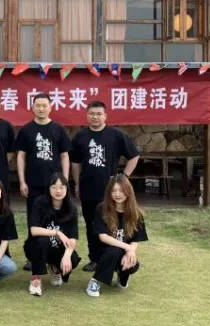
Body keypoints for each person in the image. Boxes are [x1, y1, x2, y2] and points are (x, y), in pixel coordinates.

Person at [70, 101, 140, 273]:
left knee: (111, 225)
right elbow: (75, 162)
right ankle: (94, 259)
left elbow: (134, 155)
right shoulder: (81, 136)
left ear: (105, 116)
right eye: (92, 114)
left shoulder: (115, 135)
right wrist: (77, 183)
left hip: (111, 191)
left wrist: (124, 177)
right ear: (87, 115)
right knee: (91, 225)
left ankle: (112, 258)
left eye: (99, 114)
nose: (95, 117)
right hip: (88, 189)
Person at [16, 93, 71, 270]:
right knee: (34, 220)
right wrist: (22, 181)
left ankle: (56, 255)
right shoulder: (26, 130)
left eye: (44, 105)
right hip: (33, 183)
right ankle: (33, 256)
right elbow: (21, 156)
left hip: (55, 186)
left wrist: (65, 180)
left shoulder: (58, 129)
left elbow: (64, 156)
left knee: (56, 218)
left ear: (50, 107)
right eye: (38, 105)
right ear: (32, 107)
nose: (41, 108)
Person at [87, 174, 148, 298]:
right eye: (114, 190)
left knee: (133, 263)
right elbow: (103, 237)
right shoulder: (101, 208)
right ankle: (94, 281)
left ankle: (122, 277)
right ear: (109, 192)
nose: (118, 194)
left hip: (121, 250)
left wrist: (130, 251)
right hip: (102, 251)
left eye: (121, 190)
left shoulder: (136, 213)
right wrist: (127, 247)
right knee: (114, 251)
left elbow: (135, 239)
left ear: (128, 191)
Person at [25, 173, 81, 297]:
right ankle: (35, 279)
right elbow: (34, 230)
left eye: (62, 187)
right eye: (54, 187)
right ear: (48, 188)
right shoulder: (39, 202)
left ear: (67, 188)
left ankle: (55, 268)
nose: (58, 191)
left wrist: (66, 256)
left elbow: (72, 237)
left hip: (57, 248)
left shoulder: (72, 209)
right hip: (36, 247)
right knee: (42, 241)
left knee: (73, 259)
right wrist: (57, 233)